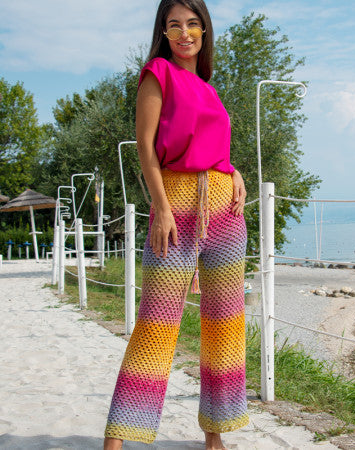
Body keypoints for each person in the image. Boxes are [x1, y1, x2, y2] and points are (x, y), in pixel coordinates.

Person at [103, 1, 248, 449]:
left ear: (204, 30)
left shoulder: (208, 88)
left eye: (192, 24)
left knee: (225, 324)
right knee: (156, 325)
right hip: (175, 205)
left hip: (225, 211)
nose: (184, 33)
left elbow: (213, 148)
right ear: (163, 33)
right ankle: (117, 439)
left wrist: (234, 170)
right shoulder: (157, 73)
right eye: (174, 25)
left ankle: (215, 436)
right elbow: (145, 147)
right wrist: (161, 207)